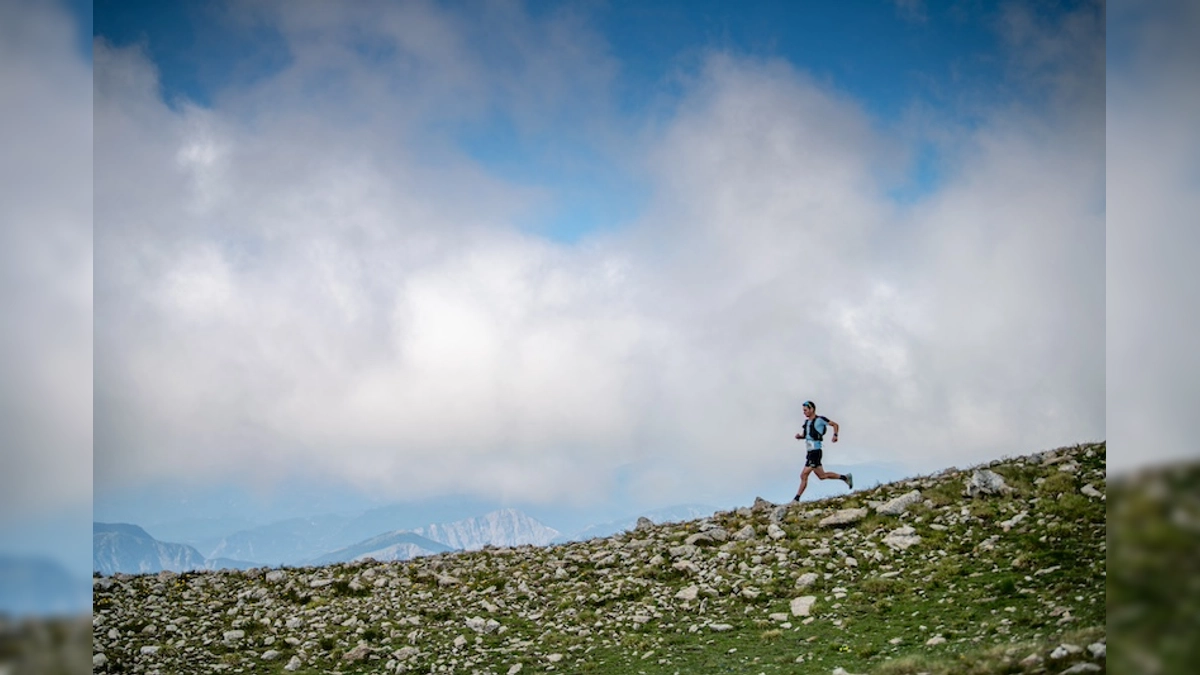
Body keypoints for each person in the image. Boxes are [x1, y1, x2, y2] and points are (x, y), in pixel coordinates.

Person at [793, 400, 852, 501]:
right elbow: (807, 435)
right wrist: (800, 437)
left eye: (806, 410)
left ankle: (796, 499)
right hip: (810, 451)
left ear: (812, 409)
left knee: (804, 474)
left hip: (816, 451)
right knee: (822, 476)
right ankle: (845, 478)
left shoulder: (820, 419)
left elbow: (835, 425)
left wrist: (835, 435)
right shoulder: (807, 422)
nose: (804, 412)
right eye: (803, 411)